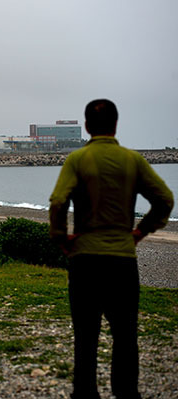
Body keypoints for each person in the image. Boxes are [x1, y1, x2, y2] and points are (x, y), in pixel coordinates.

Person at [49, 99, 174, 399]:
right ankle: (126, 393)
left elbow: (58, 202)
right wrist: (140, 232)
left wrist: (61, 238)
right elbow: (165, 199)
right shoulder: (133, 161)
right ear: (116, 125)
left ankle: (86, 394)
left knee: (86, 337)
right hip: (122, 261)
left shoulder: (77, 160)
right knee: (126, 335)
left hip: (85, 261)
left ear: (88, 126)